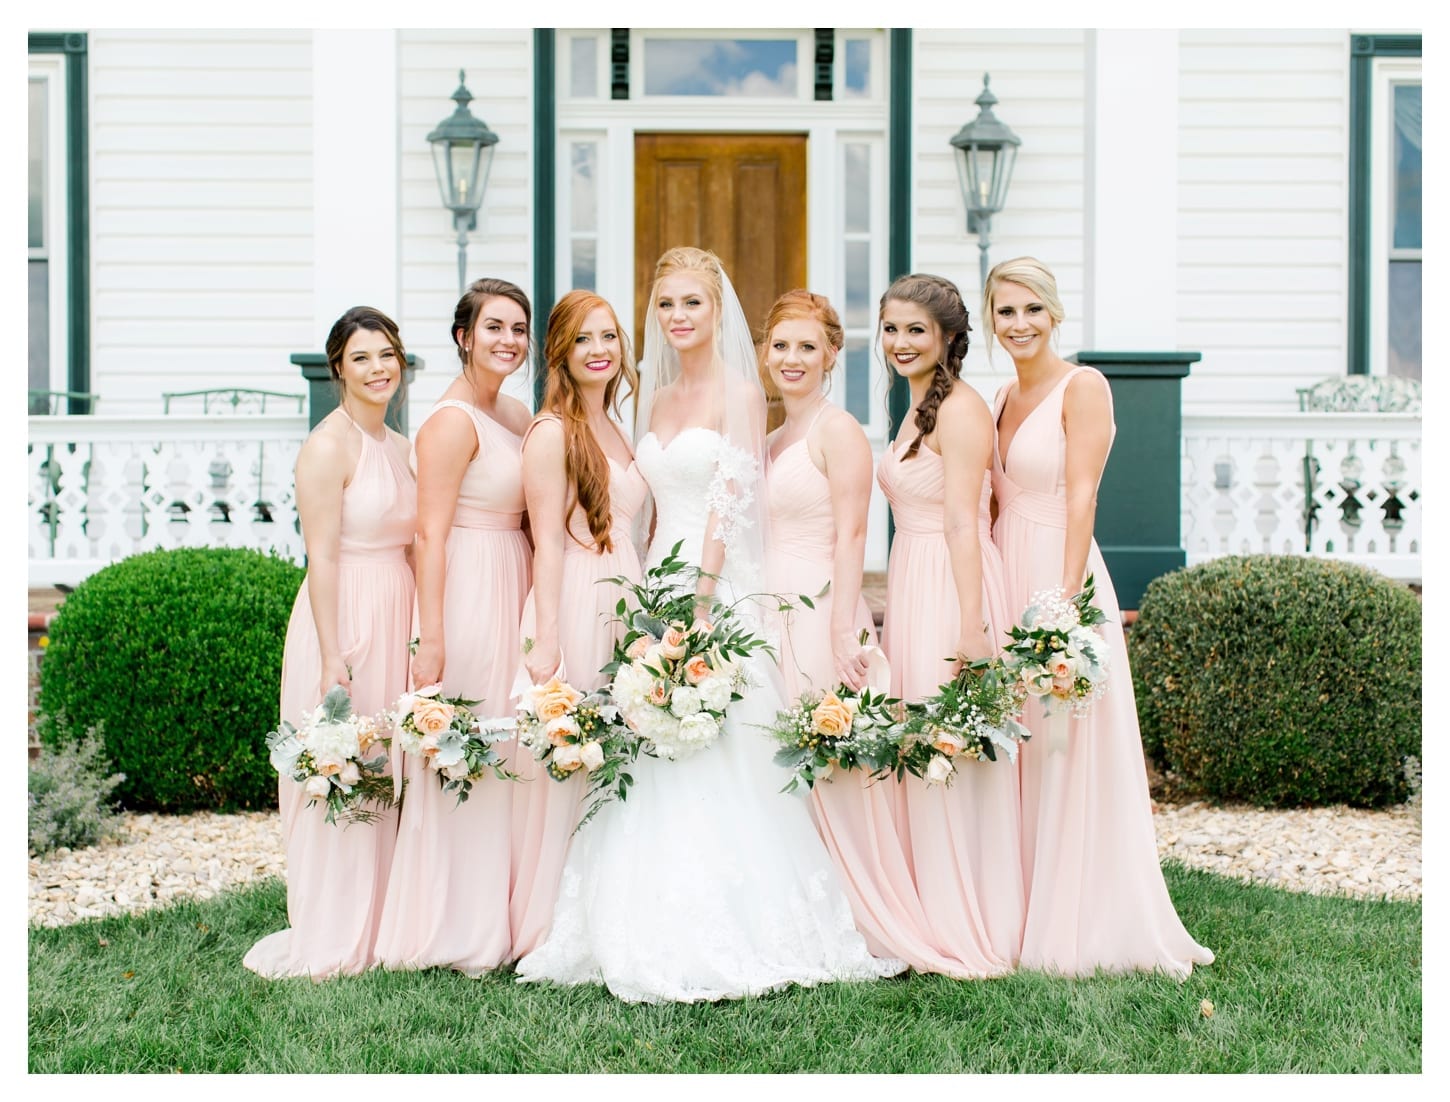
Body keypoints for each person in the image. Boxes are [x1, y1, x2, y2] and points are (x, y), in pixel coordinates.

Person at [515, 247, 903, 1003]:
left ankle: (741, 921)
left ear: (716, 310)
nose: (678, 317)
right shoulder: (652, 403)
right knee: (654, 747)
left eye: (692, 302)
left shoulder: (737, 390)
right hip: (651, 577)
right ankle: (634, 912)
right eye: (665, 305)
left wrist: (702, 596)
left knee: (718, 742)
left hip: (711, 586)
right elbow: (649, 503)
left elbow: (728, 499)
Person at [985, 256, 1213, 978]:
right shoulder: (998, 395)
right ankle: (1022, 905)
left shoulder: (1083, 387)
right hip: (1007, 564)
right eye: (1005, 312)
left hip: (1060, 570)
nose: (1018, 324)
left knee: (1068, 743)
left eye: (1031, 310)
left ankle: (1083, 917)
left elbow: (1082, 497)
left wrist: (1062, 603)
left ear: (1054, 314)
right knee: (1022, 743)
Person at [761, 289, 969, 977]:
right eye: (780, 345)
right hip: (770, 610)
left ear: (830, 356)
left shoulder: (838, 430)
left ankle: (861, 906)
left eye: (806, 347)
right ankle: (798, 903)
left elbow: (853, 533)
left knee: (834, 764)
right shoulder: (770, 440)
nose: (791, 359)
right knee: (783, 764)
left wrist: (846, 627)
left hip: (823, 607)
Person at [243, 306, 416, 980]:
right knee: (347, 768)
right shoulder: (325, 447)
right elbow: (322, 558)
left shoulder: (401, 447)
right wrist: (333, 653)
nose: (378, 368)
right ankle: (337, 926)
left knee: (391, 767)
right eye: (363, 357)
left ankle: (387, 922)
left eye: (388, 355)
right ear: (338, 367)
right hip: (342, 617)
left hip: (398, 613)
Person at [372, 279, 533, 976]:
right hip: (467, 585)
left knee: (512, 744)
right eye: (494, 327)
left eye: (519, 329)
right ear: (464, 337)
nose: (508, 340)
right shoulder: (449, 421)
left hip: (515, 575)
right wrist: (430, 637)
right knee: (470, 743)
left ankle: (506, 906)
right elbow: (428, 536)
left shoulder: (518, 415)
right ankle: (452, 921)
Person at [876, 274, 1024, 976]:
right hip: (915, 574)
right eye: (892, 329)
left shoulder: (961, 411)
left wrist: (972, 626)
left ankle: (966, 915)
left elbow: (968, 521)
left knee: (948, 745)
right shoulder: (915, 407)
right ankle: (928, 902)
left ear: (949, 339)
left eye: (916, 331)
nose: (900, 343)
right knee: (922, 737)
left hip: (950, 583)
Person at [509, 291, 648, 959]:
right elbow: (548, 544)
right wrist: (546, 642)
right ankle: (549, 919)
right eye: (585, 339)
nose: (600, 350)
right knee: (575, 753)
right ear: (560, 350)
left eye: (610, 338)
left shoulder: (620, 426)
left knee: (617, 756)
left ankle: (610, 907)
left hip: (626, 597)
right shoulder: (550, 433)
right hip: (578, 598)